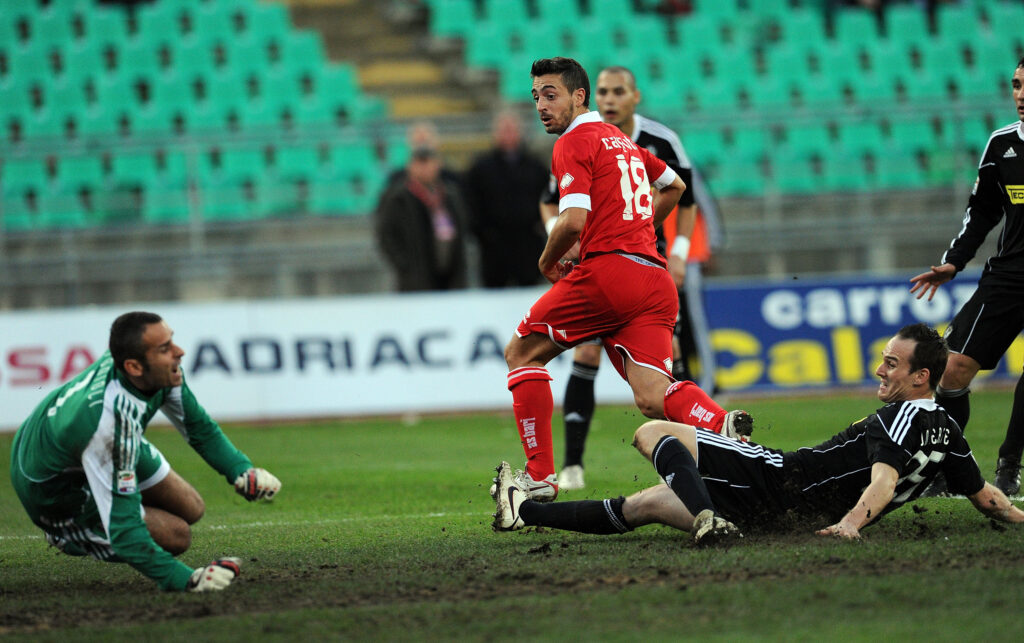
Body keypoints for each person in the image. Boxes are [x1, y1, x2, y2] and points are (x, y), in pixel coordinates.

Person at [493, 324, 1024, 543]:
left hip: (781, 477)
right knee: (648, 503)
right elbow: (986, 496)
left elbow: (883, 482)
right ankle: (525, 512)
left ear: (921, 377)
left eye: (891, 363)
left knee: (651, 431)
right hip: (785, 517)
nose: (881, 370)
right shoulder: (947, 431)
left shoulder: (901, 418)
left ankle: (709, 519)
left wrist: (850, 526)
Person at [502, 57, 750, 504]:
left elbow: (572, 220)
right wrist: (638, 228)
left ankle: (540, 477)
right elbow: (674, 186)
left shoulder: (573, 141)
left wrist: (547, 261)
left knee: (521, 353)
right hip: (654, 278)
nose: (540, 105)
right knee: (654, 395)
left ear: (579, 96)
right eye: (536, 96)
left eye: (550, 95)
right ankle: (721, 425)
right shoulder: (622, 141)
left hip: (609, 274)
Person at [539, 65, 720, 491]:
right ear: (591, 96)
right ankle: (573, 464)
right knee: (589, 355)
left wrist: (676, 251)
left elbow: (685, 197)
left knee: (666, 360)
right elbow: (551, 201)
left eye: (618, 91)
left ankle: (700, 450)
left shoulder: (658, 141)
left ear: (635, 97)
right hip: (600, 264)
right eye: (603, 91)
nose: (610, 99)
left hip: (644, 262)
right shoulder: (581, 139)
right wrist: (560, 238)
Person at [10, 312, 282, 592]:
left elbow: (197, 426)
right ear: (134, 367)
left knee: (192, 507)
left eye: (172, 341)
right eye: (165, 349)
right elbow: (125, 533)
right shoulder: (109, 429)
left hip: (64, 434)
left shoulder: (157, 372)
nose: (179, 352)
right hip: (50, 486)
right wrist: (187, 580)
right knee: (177, 536)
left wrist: (240, 469)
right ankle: (69, 535)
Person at [909, 57, 1024, 496]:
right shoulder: (1002, 145)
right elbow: (982, 212)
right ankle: (946, 468)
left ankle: (1009, 465)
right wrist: (954, 261)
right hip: (1009, 275)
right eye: (1016, 85)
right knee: (952, 368)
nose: (1020, 95)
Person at [375, 121, 470, 292]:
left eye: (428, 159)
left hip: (449, 275)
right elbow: (386, 234)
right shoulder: (397, 195)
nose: (424, 166)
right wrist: (405, 267)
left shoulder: (450, 192)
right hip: (416, 279)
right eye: (420, 160)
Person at [463, 110, 550, 288]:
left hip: (528, 244)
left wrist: (541, 224)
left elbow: (549, 196)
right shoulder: (480, 168)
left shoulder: (535, 166)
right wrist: (482, 232)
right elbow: (470, 202)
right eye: (504, 130)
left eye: (512, 130)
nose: (508, 135)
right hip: (494, 248)